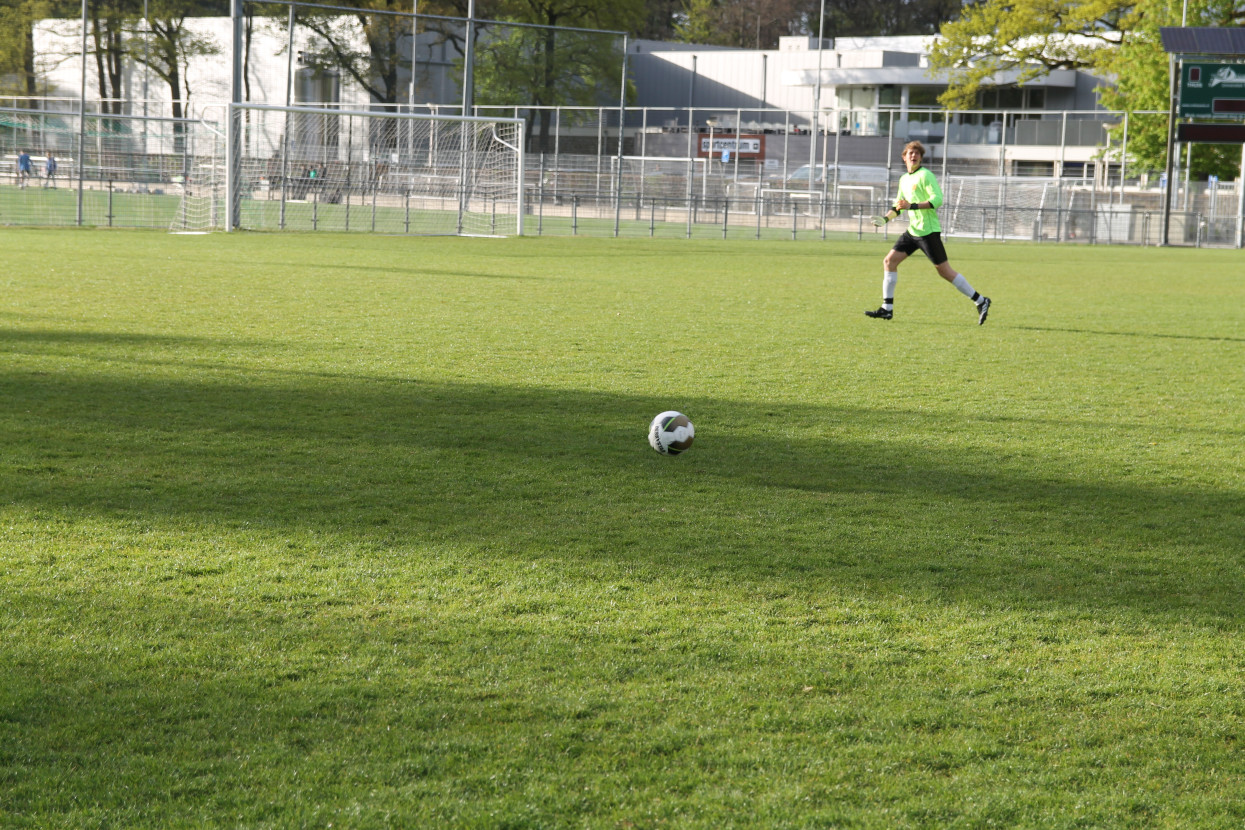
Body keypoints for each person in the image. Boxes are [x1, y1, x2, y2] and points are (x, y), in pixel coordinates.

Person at [867, 141, 991, 325]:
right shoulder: (904, 179)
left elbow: (938, 200)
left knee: (944, 271)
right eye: (910, 153)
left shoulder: (926, 175)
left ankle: (981, 301)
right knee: (889, 261)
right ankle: (887, 309)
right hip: (913, 231)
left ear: (921, 157)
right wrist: (885, 219)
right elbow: (899, 206)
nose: (913, 156)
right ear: (904, 156)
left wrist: (913, 206)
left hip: (928, 232)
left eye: (917, 153)